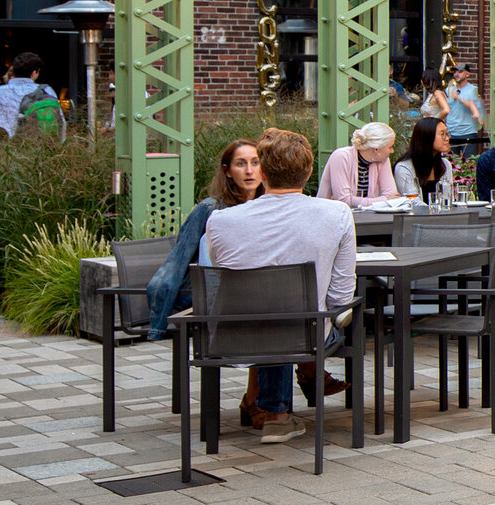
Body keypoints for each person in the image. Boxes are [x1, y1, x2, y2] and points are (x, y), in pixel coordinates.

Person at [203, 127, 357, 445]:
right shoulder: (337, 214)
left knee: (272, 310)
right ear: (310, 170)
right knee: (310, 315)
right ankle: (280, 411)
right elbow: (340, 295)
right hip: (305, 335)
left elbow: (222, 275)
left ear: (262, 170)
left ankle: (275, 414)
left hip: (237, 333)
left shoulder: (221, 220)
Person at [146, 138, 264, 345]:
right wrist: (157, 324)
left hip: (257, 293)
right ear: (228, 171)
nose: (249, 171)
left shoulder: (269, 207)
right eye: (240, 163)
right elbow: (177, 260)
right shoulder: (210, 210)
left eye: (255, 163)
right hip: (213, 297)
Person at [318, 121, 413, 203]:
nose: (392, 151)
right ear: (376, 149)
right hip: (336, 218)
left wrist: (382, 200)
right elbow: (344, 200)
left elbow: (392, 195)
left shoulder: (382, 160)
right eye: (390, 147)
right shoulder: (341, 156)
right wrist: (382, 200)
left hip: (367, 218)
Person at [0, 52, 55, 136]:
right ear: (34, 73)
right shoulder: (46, 90)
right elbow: (57, 121)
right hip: (35, 144)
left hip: (2, 145)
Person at [402, 116, 456, 205]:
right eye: (442, 134)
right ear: (427, 137)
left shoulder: (445, 165)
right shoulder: (405, 167)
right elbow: (412, 202)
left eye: (447, 134)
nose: (447, 138)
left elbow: (448, 199)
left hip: (443, 217)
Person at [444, 66, 487, 160]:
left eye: (460, 71)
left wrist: (459, 98)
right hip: (451, 133)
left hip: (468, 132)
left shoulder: (473, 90)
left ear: (467, 74)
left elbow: (478, 111)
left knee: (469, 165)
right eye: (455, 72)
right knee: (450, 163)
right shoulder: (449, 90)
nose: (456, 74)